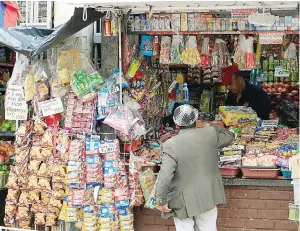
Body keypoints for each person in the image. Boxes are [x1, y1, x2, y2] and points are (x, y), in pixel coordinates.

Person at [155, 104, 235, 231]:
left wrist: (161, 200)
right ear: (196, 119)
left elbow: (165, 175)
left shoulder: (170, 144)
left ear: (176, 123)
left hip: (182, 202)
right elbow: (230, 135)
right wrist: (208, 125)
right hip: (207, 196)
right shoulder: (210, 134)